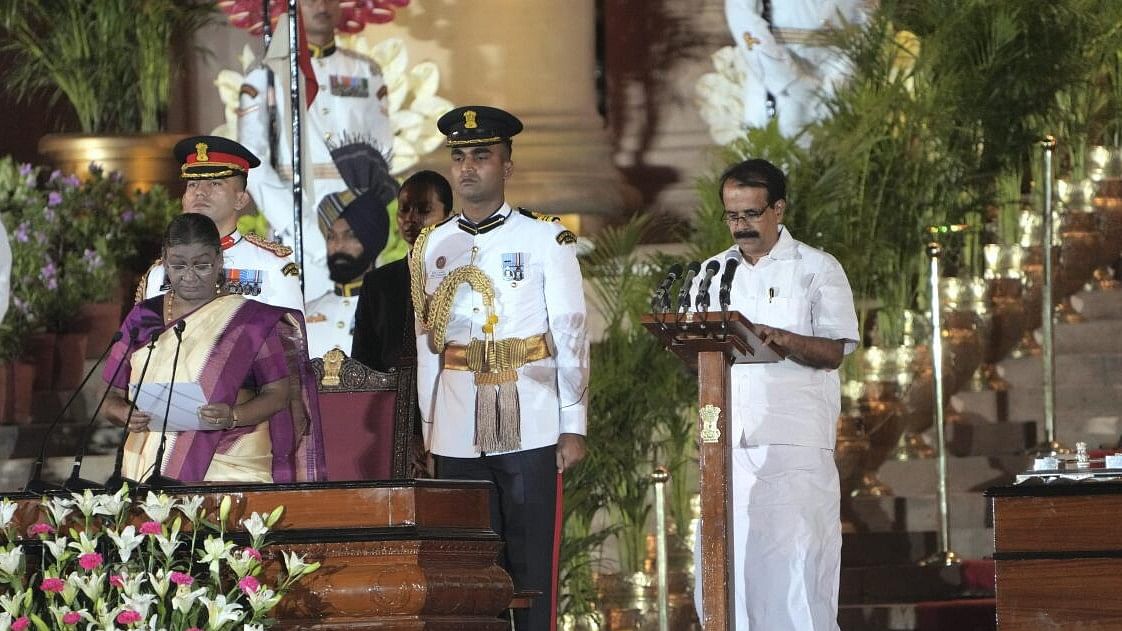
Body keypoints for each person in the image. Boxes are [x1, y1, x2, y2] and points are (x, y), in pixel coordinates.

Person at [411, 106, 589, 629]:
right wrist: (428, 426)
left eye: (482, 156)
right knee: (469, 569)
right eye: (459, 157)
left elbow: (571, 333)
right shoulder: (431, 245)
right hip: (457, 421)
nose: (468, 168)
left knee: (531, 564)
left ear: (507, 167)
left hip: (529, 414)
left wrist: (573, 423)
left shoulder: (544, 239)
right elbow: (429, 343)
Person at [692, 158, 858, 630]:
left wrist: (779, 338)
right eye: (731, 216)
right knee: (730, 578)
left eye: (750, 214)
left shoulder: (816, 269)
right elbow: (694, 352)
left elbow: (833, 350)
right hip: (724, 446)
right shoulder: (710, 274)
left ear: (778, 209)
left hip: (794, 446)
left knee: (797, 576)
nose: (740, 227)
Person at [104, 213, 326, 483]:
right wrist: (125, 415)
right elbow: (110, 398)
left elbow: (278, 393)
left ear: (219, 259)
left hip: (232, 460)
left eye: (202, 265)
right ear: (164, 259)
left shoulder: (249, 320)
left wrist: (233, 416)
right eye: (177, 265)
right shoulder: (142, 318)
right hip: (150, 462)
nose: (189, 276)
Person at [238, 0, 394, 301]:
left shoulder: (366, 71)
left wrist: (362, 226)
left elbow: (382, 155)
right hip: (294, 222)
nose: (321, 5)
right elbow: (252, 163)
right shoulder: (265, 73)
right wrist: (304, 231)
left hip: (356, 229)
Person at [137, 136, 304, 312]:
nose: (200, 192)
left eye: (215, 183)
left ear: (240, 200)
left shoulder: (272, 267)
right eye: (192, 184)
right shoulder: (160, 273)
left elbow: (291, 336)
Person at [351, 170, 452, 371]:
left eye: (423, 210)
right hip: (391, 398)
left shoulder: (465, 275)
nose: (410, 219)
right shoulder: (377, 283)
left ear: (448, 216)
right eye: (404, 209)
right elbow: (362, 364)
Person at [304, 188, 390, 358]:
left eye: (350, 236)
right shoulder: (306, 313)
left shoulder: (394, 312)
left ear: (371, 242)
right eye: (331, 237)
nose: (338, 246)